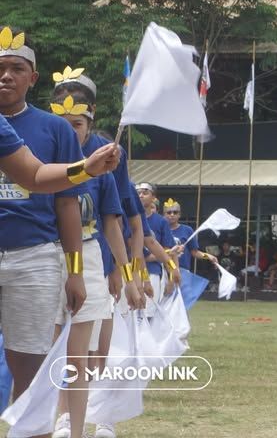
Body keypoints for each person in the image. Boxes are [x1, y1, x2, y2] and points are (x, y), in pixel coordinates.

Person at [0, 27, 94, 403]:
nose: (6, 76)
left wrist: (76, 272)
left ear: (33, 78)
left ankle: (28, 425)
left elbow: (66, 202)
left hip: (34, 258)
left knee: (30, 369)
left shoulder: (55, 128)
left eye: (16, 69)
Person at [47, 78, 134, 438]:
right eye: (62, 124)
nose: (70, 132)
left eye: (77, 124)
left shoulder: (102, 171)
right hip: (46, 257)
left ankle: (76, 428)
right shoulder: (38, 165)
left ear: (90, 123)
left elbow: (113, 224)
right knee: (49, 352)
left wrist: (128, 275)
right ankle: (56, 419)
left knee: (79, 354)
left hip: (90, 258)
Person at [135, 182, 179, 313]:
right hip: (130, 271)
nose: (141, 195)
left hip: (152, 271)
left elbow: (169, 251)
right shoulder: (129, 218)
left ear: (153, 197)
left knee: (148, 312)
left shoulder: (161, 221)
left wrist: (171, 277)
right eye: (138, 193)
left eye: (145, 192)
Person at [162, 198, 218, 272]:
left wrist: (208, 256)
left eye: (175, 212)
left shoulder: (187, 230)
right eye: (169, 212)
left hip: (183, 271)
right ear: (164, 215)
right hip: (164, 270)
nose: (172, 215)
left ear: (179, 214)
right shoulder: (160, 230)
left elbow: (195, 252)